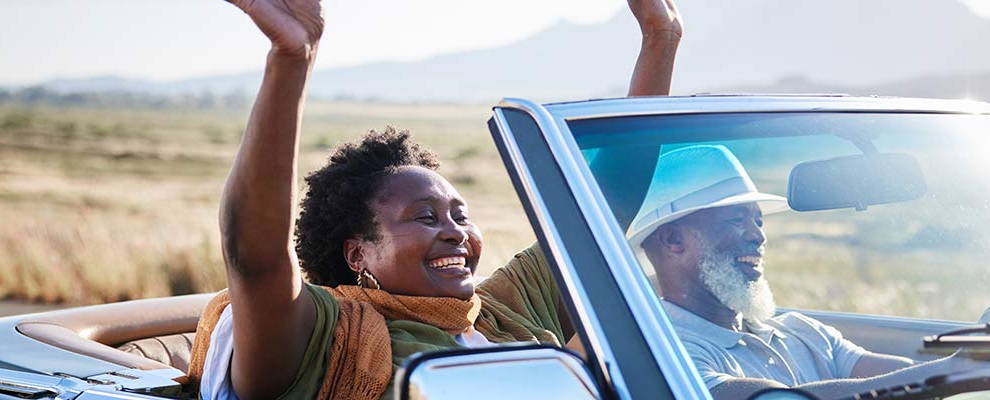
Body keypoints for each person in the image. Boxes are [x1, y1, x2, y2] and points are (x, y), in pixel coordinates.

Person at [186, 0, 683, 399]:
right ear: (357, 252)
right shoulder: (330, 334)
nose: (454, 231)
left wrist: (660, 37)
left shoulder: (503, 308)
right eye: (424, 217)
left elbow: (606, 203)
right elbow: (255, 258)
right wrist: (292, 59)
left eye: (460, 214)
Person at [630, 145, 980, 400]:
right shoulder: (663, 352)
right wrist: (954, 369)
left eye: (758, 219)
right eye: (736, 220)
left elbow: (900, 378)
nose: (757, 234)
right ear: (673, 239)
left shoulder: (800, 331)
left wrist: (975, 363)